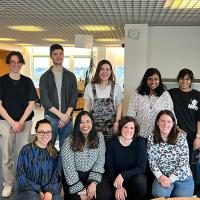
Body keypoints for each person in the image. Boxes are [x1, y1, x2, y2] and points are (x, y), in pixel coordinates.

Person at [0, 51, 38, 197]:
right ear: (8, 63)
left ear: (22, 64)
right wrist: (12, 123)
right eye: (12, 62)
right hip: (5, 122)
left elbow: (31, 104)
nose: (16, 65)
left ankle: (22, 182)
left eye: (18, 62)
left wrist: (20, 122)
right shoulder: (1, 81)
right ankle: (8, 184)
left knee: (23, 154)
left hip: (25, 122)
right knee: (6, 154)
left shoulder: (27, 82)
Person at [39, 44, 78, 150]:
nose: (58, 56)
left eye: (61, 54)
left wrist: (66, 116)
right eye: (55, 54)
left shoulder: (71, 76)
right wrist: (62, 116)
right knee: (48, 147)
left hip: (68, 119)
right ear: (51, 56)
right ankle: (49, 167)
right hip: (51, 118)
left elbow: (74, 97)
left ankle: (61, 167)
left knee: (66, 150)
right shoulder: (44, 77)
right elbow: (45, 101)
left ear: (63, 55)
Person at [147, 110, 194, 198]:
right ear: (157, 122)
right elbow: (152, 161)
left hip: (182, 177)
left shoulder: (181, 137)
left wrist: (170, 179)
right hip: (162, 177)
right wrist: (160, 176)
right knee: (159, 195)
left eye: (169, 121)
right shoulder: (151, 138)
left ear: (173, 124)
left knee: (182, 198)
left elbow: (184, 162)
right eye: (162, 121)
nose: (165, 124)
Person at [168, 68, 200, 196]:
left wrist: (198, 137)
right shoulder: (171, 93)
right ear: (178, 80)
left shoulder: (197, 95)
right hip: (176, 134)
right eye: (181, 78)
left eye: (187, 79)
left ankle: (194, 191)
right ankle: (176, 189)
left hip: (193, 136)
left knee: (194, 164)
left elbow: (199, 119)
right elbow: (167, 112)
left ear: (191, 80)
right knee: (177, 162)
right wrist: (175, 127)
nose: (184, 81)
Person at [61, 111, 105, 200]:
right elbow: (69, 168)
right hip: (74, 178)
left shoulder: (99, 137)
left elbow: (100, 161)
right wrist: (81, 191)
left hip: (91, 174)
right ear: (77, 124)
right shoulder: (69, 141)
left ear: (92, 122)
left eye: (88, 121)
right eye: (81, 122)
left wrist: (93, 183)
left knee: (102, 195)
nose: (85, 125)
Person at [16, 119, 62, 200]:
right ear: (36, 132)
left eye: (48, 132)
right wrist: (39, 191)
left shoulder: (54, 152)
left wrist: (49, 191)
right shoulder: (26, 150)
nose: (45, 135)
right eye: (41, 132)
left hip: (48, 189)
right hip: (29, 190)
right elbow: (20, 176)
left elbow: (57, 175)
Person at [105, 116, 147, 200]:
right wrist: (118, 187)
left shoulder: (140, 142)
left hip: (133, 179)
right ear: (120, 128)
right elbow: (109, 167)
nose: (129, 130)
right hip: (116, 180)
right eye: (126, 127)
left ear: (135, 130)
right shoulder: (112, 143)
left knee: (141, 180)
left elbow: (141, 168)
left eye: (132, 128)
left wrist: (123, 175)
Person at [128, 68, 174, 139]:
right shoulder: (136, 95)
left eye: (156, 79)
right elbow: (131, 115)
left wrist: (174, 129)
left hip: (158, 136)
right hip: (139, 135)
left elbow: (171, 114)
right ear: (145, 80)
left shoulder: (165, 95)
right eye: (150, 79)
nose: (153, 82)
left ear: (159, 80)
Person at [84, 59, 123, 142]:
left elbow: (119, 105)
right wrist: (86, 122)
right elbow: (87, 107)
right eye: (102, 69)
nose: (104, 72)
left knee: (111, 149)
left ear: (111, 71)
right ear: (98, 71)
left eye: (107, 69)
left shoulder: (116, 87)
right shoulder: (90, 86)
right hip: (94, 126)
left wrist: (117, 122)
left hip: (112, 126)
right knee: (95, 147)